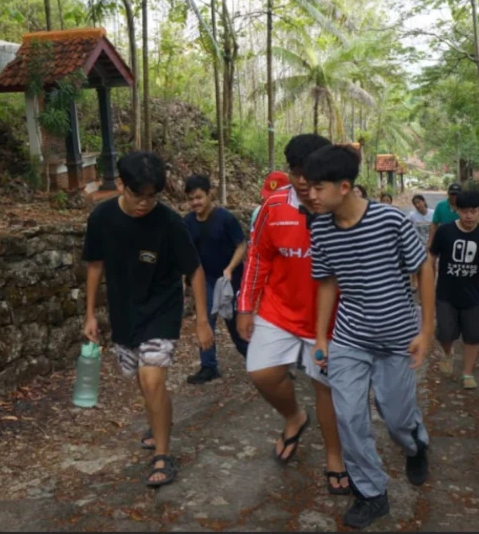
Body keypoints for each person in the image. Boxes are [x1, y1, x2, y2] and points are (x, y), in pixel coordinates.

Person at [306, 145, 434, 529]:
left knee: (397, 419)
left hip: (397, 339)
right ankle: (371, 493)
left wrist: (426, 330)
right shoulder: (320, 229)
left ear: (344, 187)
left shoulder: (390, 221)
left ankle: (415, 443)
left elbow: (424, 268)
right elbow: (327, 282)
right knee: (348, 416)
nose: (311, 195)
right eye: (308, 187)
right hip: (350, 338)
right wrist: (321, 337)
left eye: (318, 187)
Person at [82, 151, 213, 489]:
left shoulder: (169, 223)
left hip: (161, 310)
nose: (145, 203)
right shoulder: (102, 218)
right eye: (138, 195)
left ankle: (163, 455)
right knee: (143, 382)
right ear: (120, 185)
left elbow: (195, 270)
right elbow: (95, 265)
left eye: (152, 196)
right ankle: (157, 422)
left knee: (153, 380)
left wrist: (202, 320)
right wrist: (90, 314)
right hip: (124, 312)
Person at [237, 134, 351, 496]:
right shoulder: (273, 207)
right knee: (262, 372)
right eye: (295, 171)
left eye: (309, 173)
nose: (302, 181)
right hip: (279, 311)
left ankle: (335, 456)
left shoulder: (342, 207)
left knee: (326, 388)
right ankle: (294, 417)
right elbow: (258, 257)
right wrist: (245, 305)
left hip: (330, 321)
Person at [428, 189, 479, 389]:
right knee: (445, 333)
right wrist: (428, 281)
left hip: (472, 296)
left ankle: (467, 373)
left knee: (474, 336)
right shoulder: (445, 232)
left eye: (473, 211)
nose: (469, 216)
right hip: (445, 294)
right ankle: (448, 352)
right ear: (457, 210)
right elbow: (432, 257)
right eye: (464, 211)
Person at [182, 174, 249, 384]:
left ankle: (259, 362)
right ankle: (208, 366)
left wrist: (230, 268)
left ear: (209, 194)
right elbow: (186, 253)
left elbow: (241, 245)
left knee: (235, 326)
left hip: (230, 280)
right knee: (205, 321)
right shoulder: (188, 222)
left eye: (199, 197)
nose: (195, 203)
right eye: (191, 199)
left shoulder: (225, 218)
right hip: (206, 280)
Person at [427, 183, 461, 250]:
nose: (454, 196)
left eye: (457, 194)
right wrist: (430, 241)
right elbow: (434, 224)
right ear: (448, 194)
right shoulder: (440, 205)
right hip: (444, 239)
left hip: (460, 240)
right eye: (452, 194)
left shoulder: (465, 207)